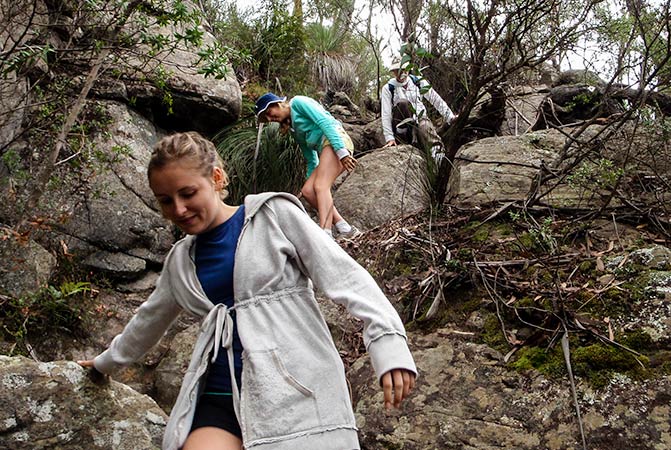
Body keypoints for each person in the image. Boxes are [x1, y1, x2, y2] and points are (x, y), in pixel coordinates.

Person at [77, 132, 417, 450]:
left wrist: (388, 344)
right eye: (166, 200)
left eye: (188, 193)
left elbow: (344, 276)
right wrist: (105, 363)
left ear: (217, 178)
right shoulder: (179, 261)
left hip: (295, 396)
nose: (178, 209)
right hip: (219, 399)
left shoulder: (273, 217)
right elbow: (148, 320)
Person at [255, 92, 359, 240]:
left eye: (268, 113)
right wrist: (308, 180)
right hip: (326, 150)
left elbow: (325, 122)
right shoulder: (293, 129)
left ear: (276, 104)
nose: (270, 119)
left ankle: (325, 234)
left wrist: (342, 153)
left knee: (321, 186)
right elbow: (310, 158)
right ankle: (345, 228)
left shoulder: (298, 102)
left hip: (336, 141)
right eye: (266, 119)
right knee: (309, 191)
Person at [380, 58, 456, 159]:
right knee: (403, 103)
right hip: (401, 124)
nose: (401, 73)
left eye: (403, 69)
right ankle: (403, 140)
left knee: (425, 126)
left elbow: (435, 99)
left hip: (420, 118)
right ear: (393, 72)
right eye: (397, 70)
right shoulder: (388, 88)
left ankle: (438, 156)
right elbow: (386, 113)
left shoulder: (418, 82)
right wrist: (389, 138)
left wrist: (450, 117)